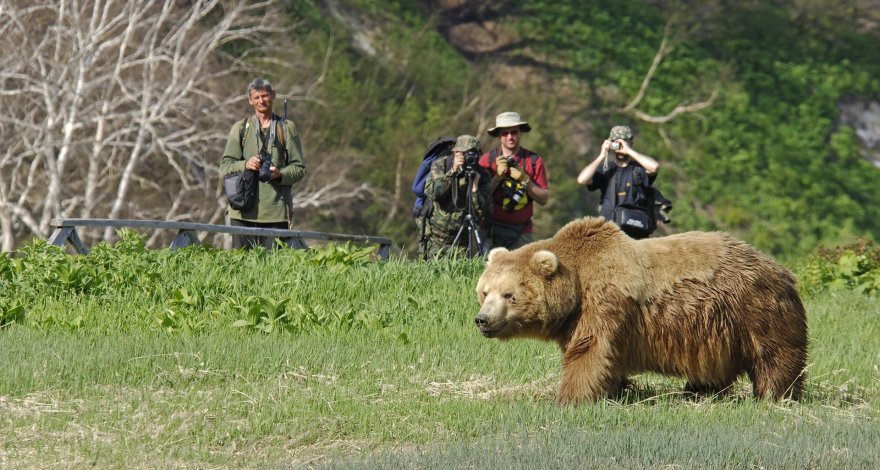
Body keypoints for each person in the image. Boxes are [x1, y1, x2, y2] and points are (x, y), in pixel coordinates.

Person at [220, 78, 306, 249]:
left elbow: (299, 168)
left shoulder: (286, 128)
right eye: (257, 97)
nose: (262, 101)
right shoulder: (241, 128)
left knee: (273, 271)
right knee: (240, 267)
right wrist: (246, 164)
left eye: (265, 96)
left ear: (273, 96)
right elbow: (226, 165)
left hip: (275, 215)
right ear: (250, 100)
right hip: (242, 213)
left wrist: (279, 174)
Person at [478, 111, 550, 249]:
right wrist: (497, 178)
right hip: (489, 229)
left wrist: (525, 179)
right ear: (499, 136)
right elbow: (478, 199)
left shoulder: (534, 161)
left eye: (514, 132)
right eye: (505, 133)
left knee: (525, 270)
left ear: (520, 133)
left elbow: (544, 199)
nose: (510, 137)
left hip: (522, 232)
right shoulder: (487, 160)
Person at [576, 125, 659, 239]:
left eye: (624, 142)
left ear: (631, 143)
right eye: (616, 143)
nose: (620, 146)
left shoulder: (639, 169)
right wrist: (601, 156)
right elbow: (582, 180)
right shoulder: (606, 170)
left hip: (636, 233)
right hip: (609, 234)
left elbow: (654, 167)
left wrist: (629, 151)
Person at [422, 135, 492, 259]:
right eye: (464, 153)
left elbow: (484, 213)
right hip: (437, 238)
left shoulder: (481, 174)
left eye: (472, 154)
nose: (468, 157)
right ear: (455, 152)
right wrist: (452, 172)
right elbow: (433, 193)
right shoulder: (442, 165)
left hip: (463, 241)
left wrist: (475, 188)